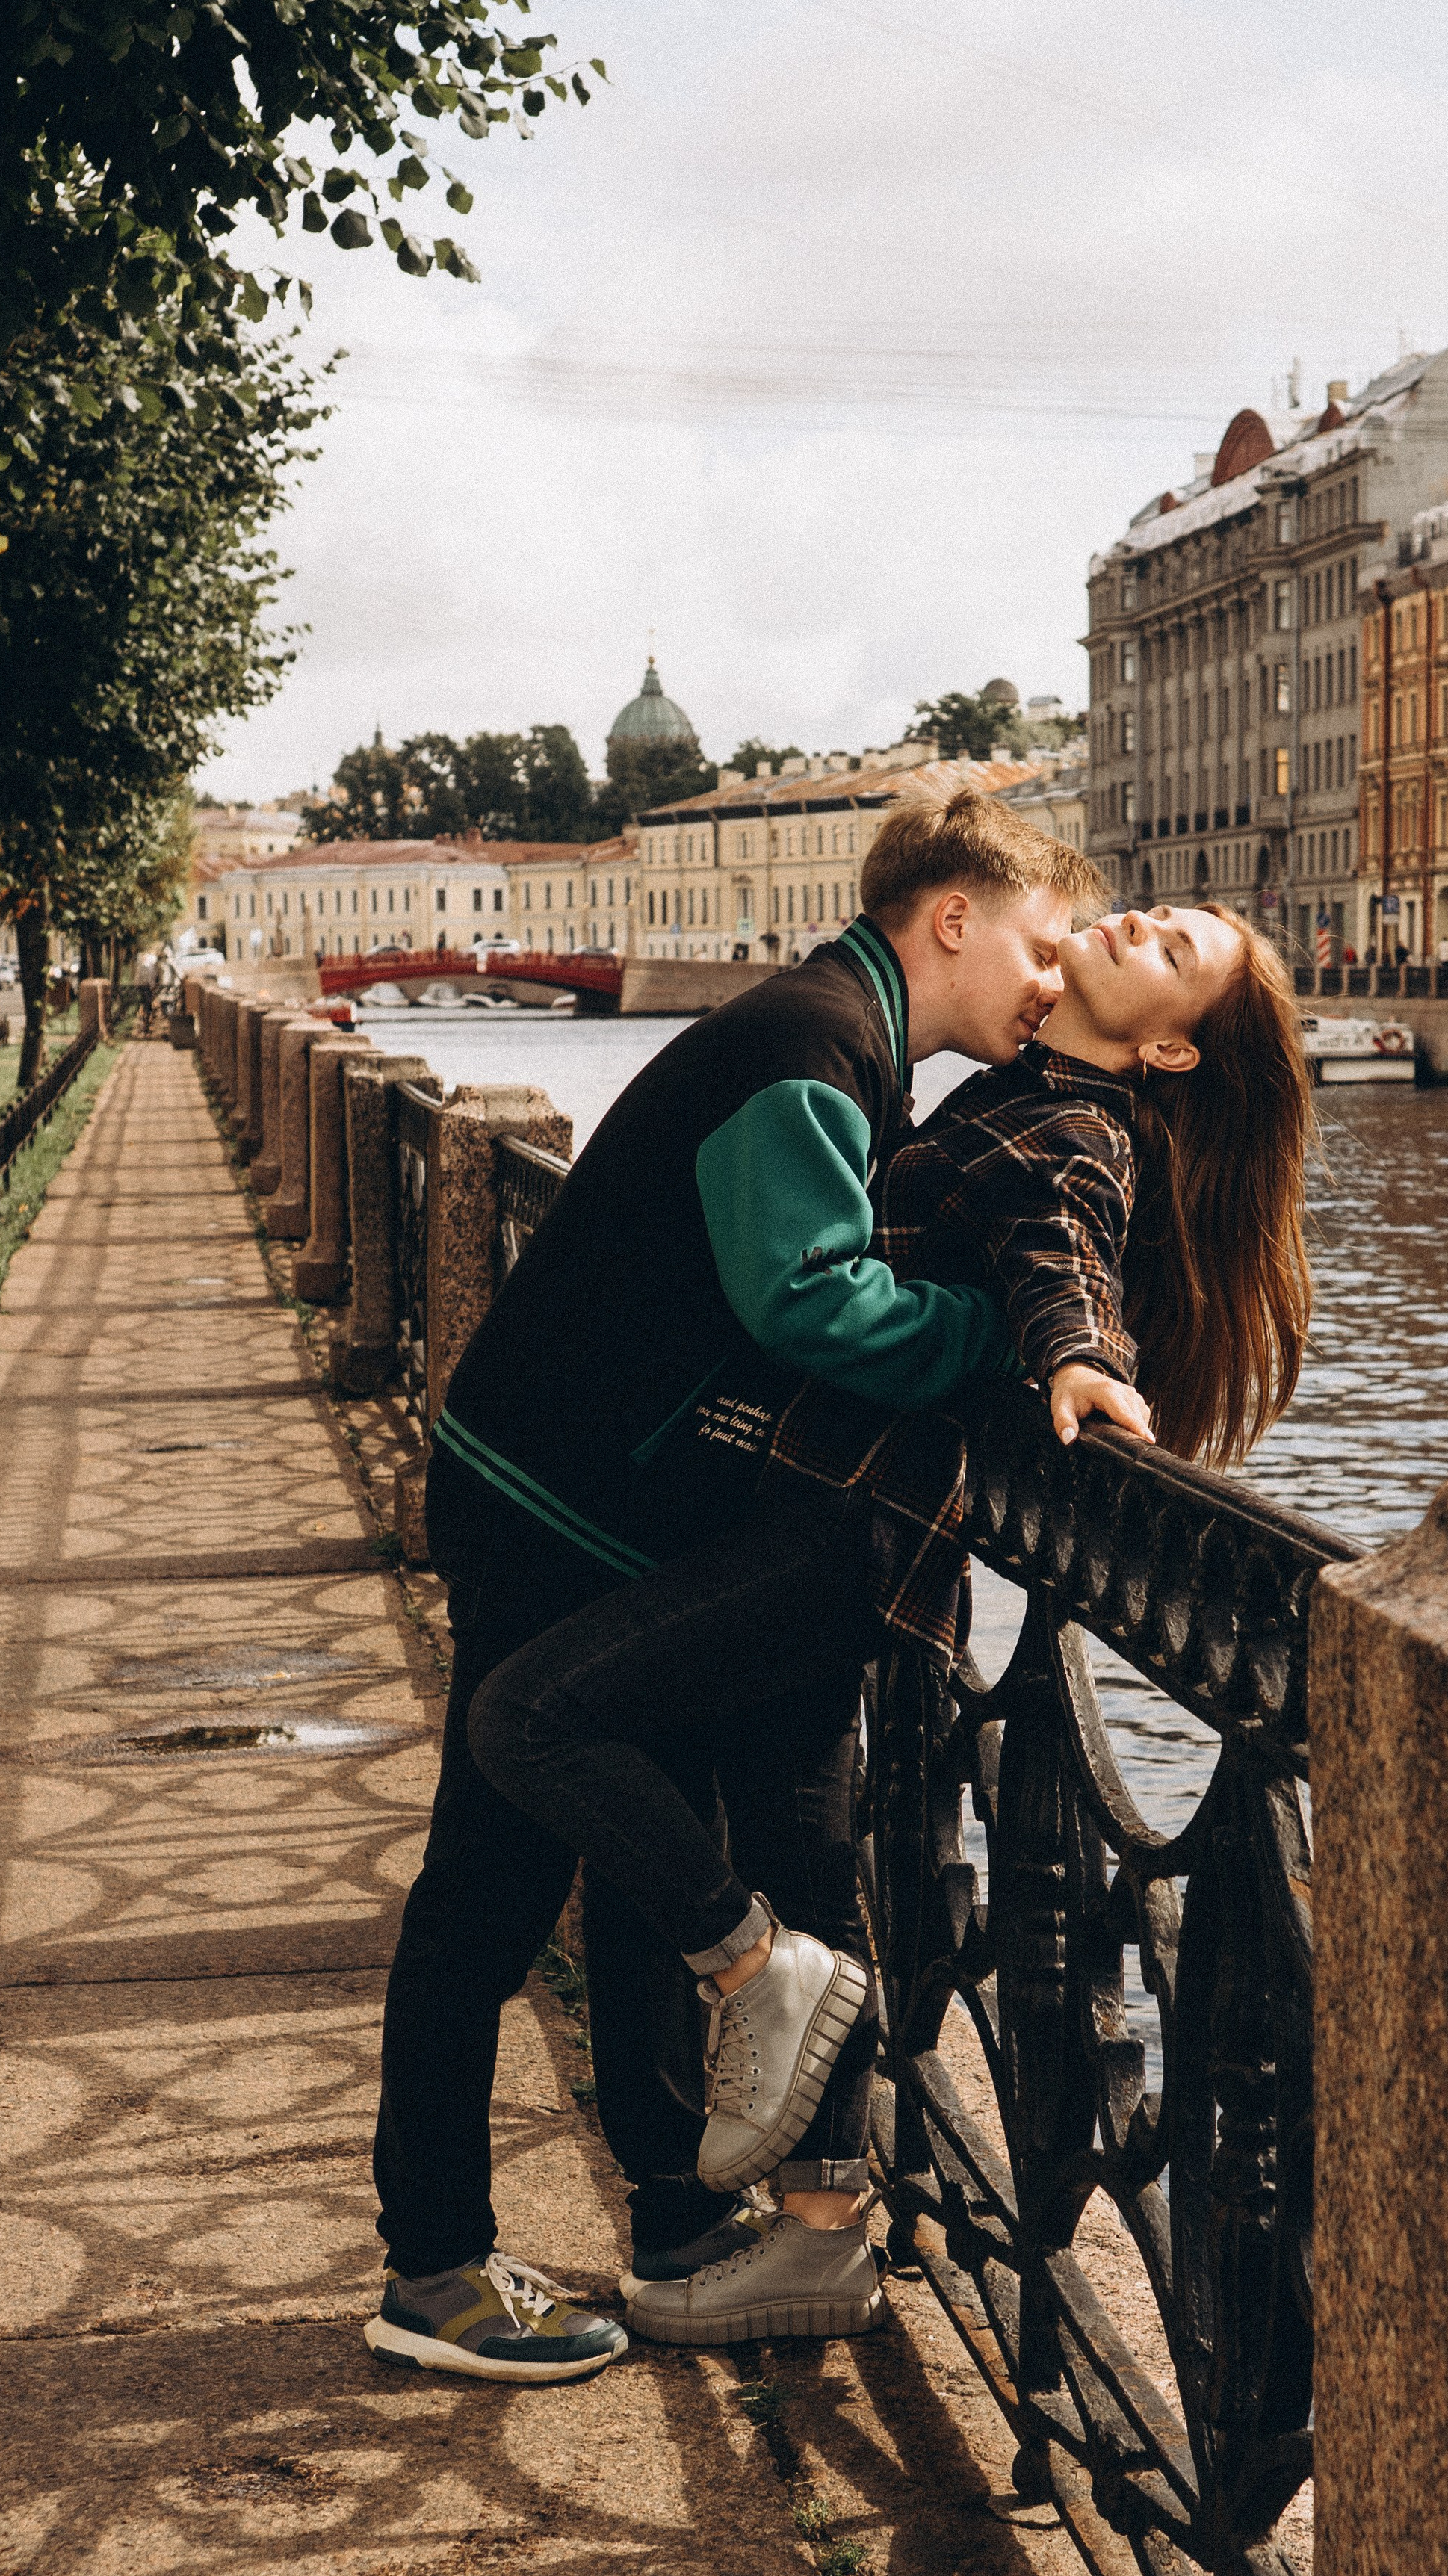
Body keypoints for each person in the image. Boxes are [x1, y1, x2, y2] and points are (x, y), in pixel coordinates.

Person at [465, 894, 1314, 2350]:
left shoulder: (1075, 1129)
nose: (1140, 923)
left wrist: (1077, 1359)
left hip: (837, 1536)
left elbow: (1061, 1255)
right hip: (811, 1519)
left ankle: (752, 1974)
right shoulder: (1021, 1083)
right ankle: (817, 2233)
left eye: (1175, 951)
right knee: (808, 1862)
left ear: (1172, 1054)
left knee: (531, 1718)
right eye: (1158, 911)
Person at [363, 790, 1115, 2385]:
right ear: (954, 921)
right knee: (485, 1892)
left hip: (596, 1499)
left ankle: (671, 2217)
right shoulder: (807, 1042)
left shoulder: (837, 1036)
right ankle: (429, 2268)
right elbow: (810, 1300)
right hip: (546, 1500)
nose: (1051, 981)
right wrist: (1000, 1351)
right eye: (1041, 948)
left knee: (616, 1857)